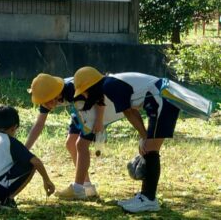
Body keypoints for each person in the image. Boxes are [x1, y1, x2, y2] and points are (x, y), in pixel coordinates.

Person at [73, 66, 211, 213]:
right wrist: (143, 136)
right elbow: (132, 110)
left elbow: (129, 113)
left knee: (150, 150)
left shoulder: (110, 87)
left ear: (92, 86)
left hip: (162, 100)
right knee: (149, 149)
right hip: (159, 100)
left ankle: (149, 199)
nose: (85, 96)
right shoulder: (110, 83)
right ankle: (146, 196)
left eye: (85, 91)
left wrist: (144, 136)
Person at [26, 73, 105, 199]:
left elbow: (99, 97)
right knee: (70, 143)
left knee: (80, 144)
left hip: (95, 105)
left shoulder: (72, 89)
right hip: (79, 107)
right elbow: (39, 125)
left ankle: (78, 189)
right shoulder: (48, 95)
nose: (44, 105)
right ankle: (88, 187)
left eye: (45, 102)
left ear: (53, 96)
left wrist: (99, 120)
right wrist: (25, 149)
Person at [0, 106, 55, 210]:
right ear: (14, 127)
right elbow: (36, 162)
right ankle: (7, 200)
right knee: (30, 164)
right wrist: (47, 180)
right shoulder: (10, 141)